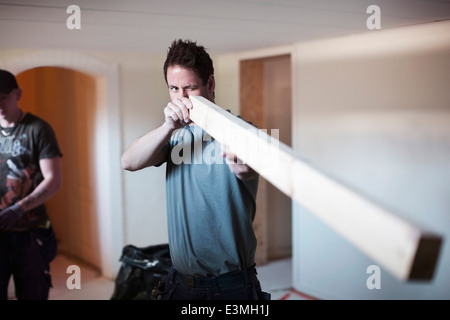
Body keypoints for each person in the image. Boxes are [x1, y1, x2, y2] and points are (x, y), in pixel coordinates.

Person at [121, 39, 270, 300]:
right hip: (179, 282)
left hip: (230, 287)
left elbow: (247, 167)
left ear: (210, 85)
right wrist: (168, 127)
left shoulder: (240, 132)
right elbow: (129, 162)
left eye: (190, 88)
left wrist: (244, 166)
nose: (182, 99)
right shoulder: (175, 135)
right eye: (174, 89)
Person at [0, 69, 62, 300]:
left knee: (33, 293)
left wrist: (19, 209)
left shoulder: (38, 129)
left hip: (30, 233)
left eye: (3, 97)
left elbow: (53, 180)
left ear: (18, 93)